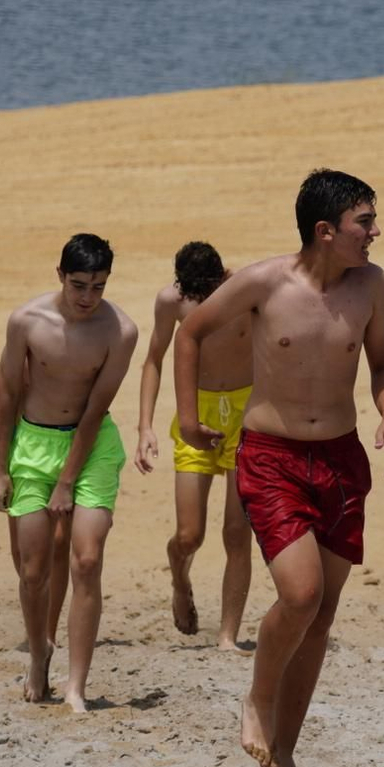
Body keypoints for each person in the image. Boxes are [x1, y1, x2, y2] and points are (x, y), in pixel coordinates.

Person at [174, 169, 384, 767]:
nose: (376, 232)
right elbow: (190, 333)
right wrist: (189, 417)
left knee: (322, 615)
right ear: (325, 230)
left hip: (340, 459)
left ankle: (284, 753)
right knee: (301, 595)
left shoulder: (371, 286)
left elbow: (382, 363)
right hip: (272, 457)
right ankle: (257, 699)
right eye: (366, 222)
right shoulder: (262, 282)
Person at [0, 233, 139, 712]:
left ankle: (77, 686)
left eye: (98, 286)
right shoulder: (26, 321)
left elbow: (96, 410)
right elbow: (5, 396)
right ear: (60, 275)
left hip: (91, 447)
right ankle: (39, 656)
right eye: (78, 285)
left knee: (86, 561)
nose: (87, 298)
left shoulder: (121, 331)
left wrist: (69, 482)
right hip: (32, 447)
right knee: (32, 572)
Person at [133, 241, 255, 651]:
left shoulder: (245, 288)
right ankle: (180, 579)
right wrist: (145, 426)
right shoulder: (172, 301)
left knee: (237, 532)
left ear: (223, 276)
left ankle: (227, 635)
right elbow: (154, 359)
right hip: (195, 412)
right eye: (192, 295)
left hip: (245, 413)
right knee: (189, 535)